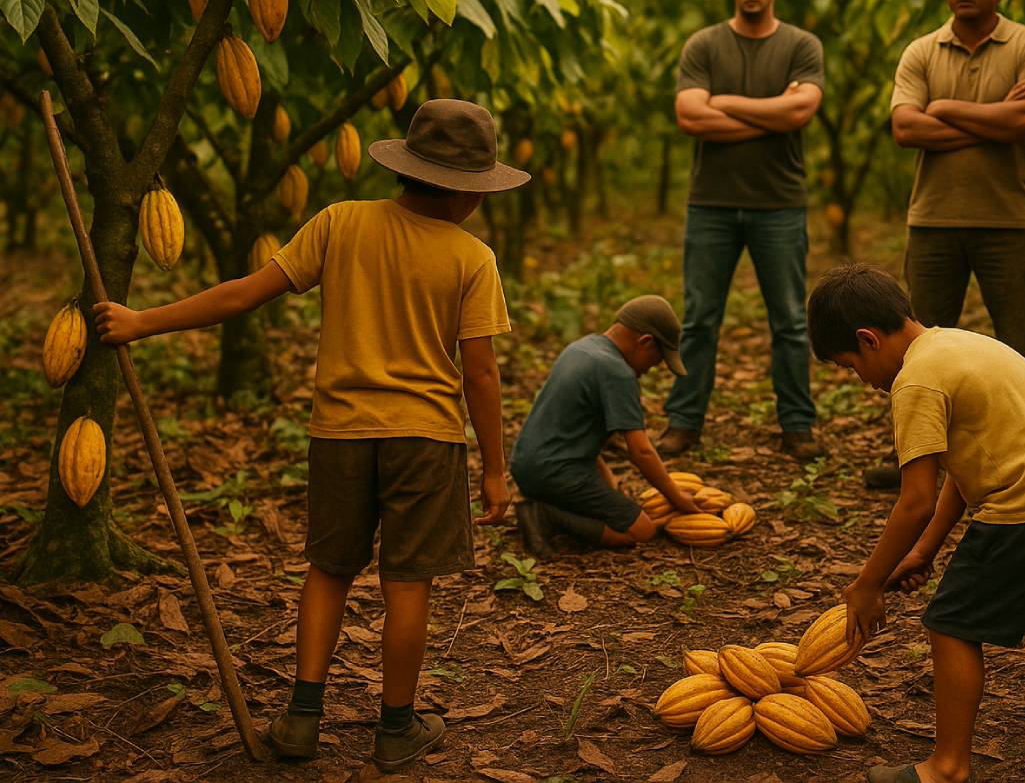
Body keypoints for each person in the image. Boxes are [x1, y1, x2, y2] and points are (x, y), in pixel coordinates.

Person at [93, 100, 527, 774]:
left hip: (340, 432)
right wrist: (495, 469)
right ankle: (395, 729)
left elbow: (243, 294)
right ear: (471, 192)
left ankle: (300, 719)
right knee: (407, 583)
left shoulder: (341, 221)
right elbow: (481, 373)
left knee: (328, 571)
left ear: (406, 168)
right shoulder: (474, 258)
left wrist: (140, 321)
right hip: (427, 438)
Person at [807, 264, 1025, 783]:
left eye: (848, 365)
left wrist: (865, 585)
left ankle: (947, 768)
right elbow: (961, 471)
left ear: (867, 338)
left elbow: (915, 501)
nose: (859, 380)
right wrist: (924, 552)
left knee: (950, 626)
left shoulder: (916, 382)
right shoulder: (955, 343)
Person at [870, 0, 1025, 491]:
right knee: (915, 347)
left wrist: (944, 108)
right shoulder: (921, 51)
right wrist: (995, 116)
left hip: (1009, 219)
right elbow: (906, 128)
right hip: (933, 221)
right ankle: (913, 459)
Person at [661, 0, 826, 461]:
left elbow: (800, 111)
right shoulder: (704, 44)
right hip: (710, 204)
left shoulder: (800, 45)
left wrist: (722, 101)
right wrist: (772, 113)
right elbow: (690, 115)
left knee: (791, 322)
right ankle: (684, 422)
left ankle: (797, 426)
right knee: (699, 320)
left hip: (779, 203)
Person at [511, 296, 700, 557]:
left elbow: (575, 425)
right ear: (645, 342)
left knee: (612, 502)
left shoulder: (582, 348)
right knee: (641, 531)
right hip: (556, 473)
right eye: (657, 361)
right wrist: (677, 498)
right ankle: (545, 515)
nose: (650, 370)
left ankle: (544, 504)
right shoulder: (617, 373)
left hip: (527, 465)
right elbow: (641, 451)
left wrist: (605, 477)